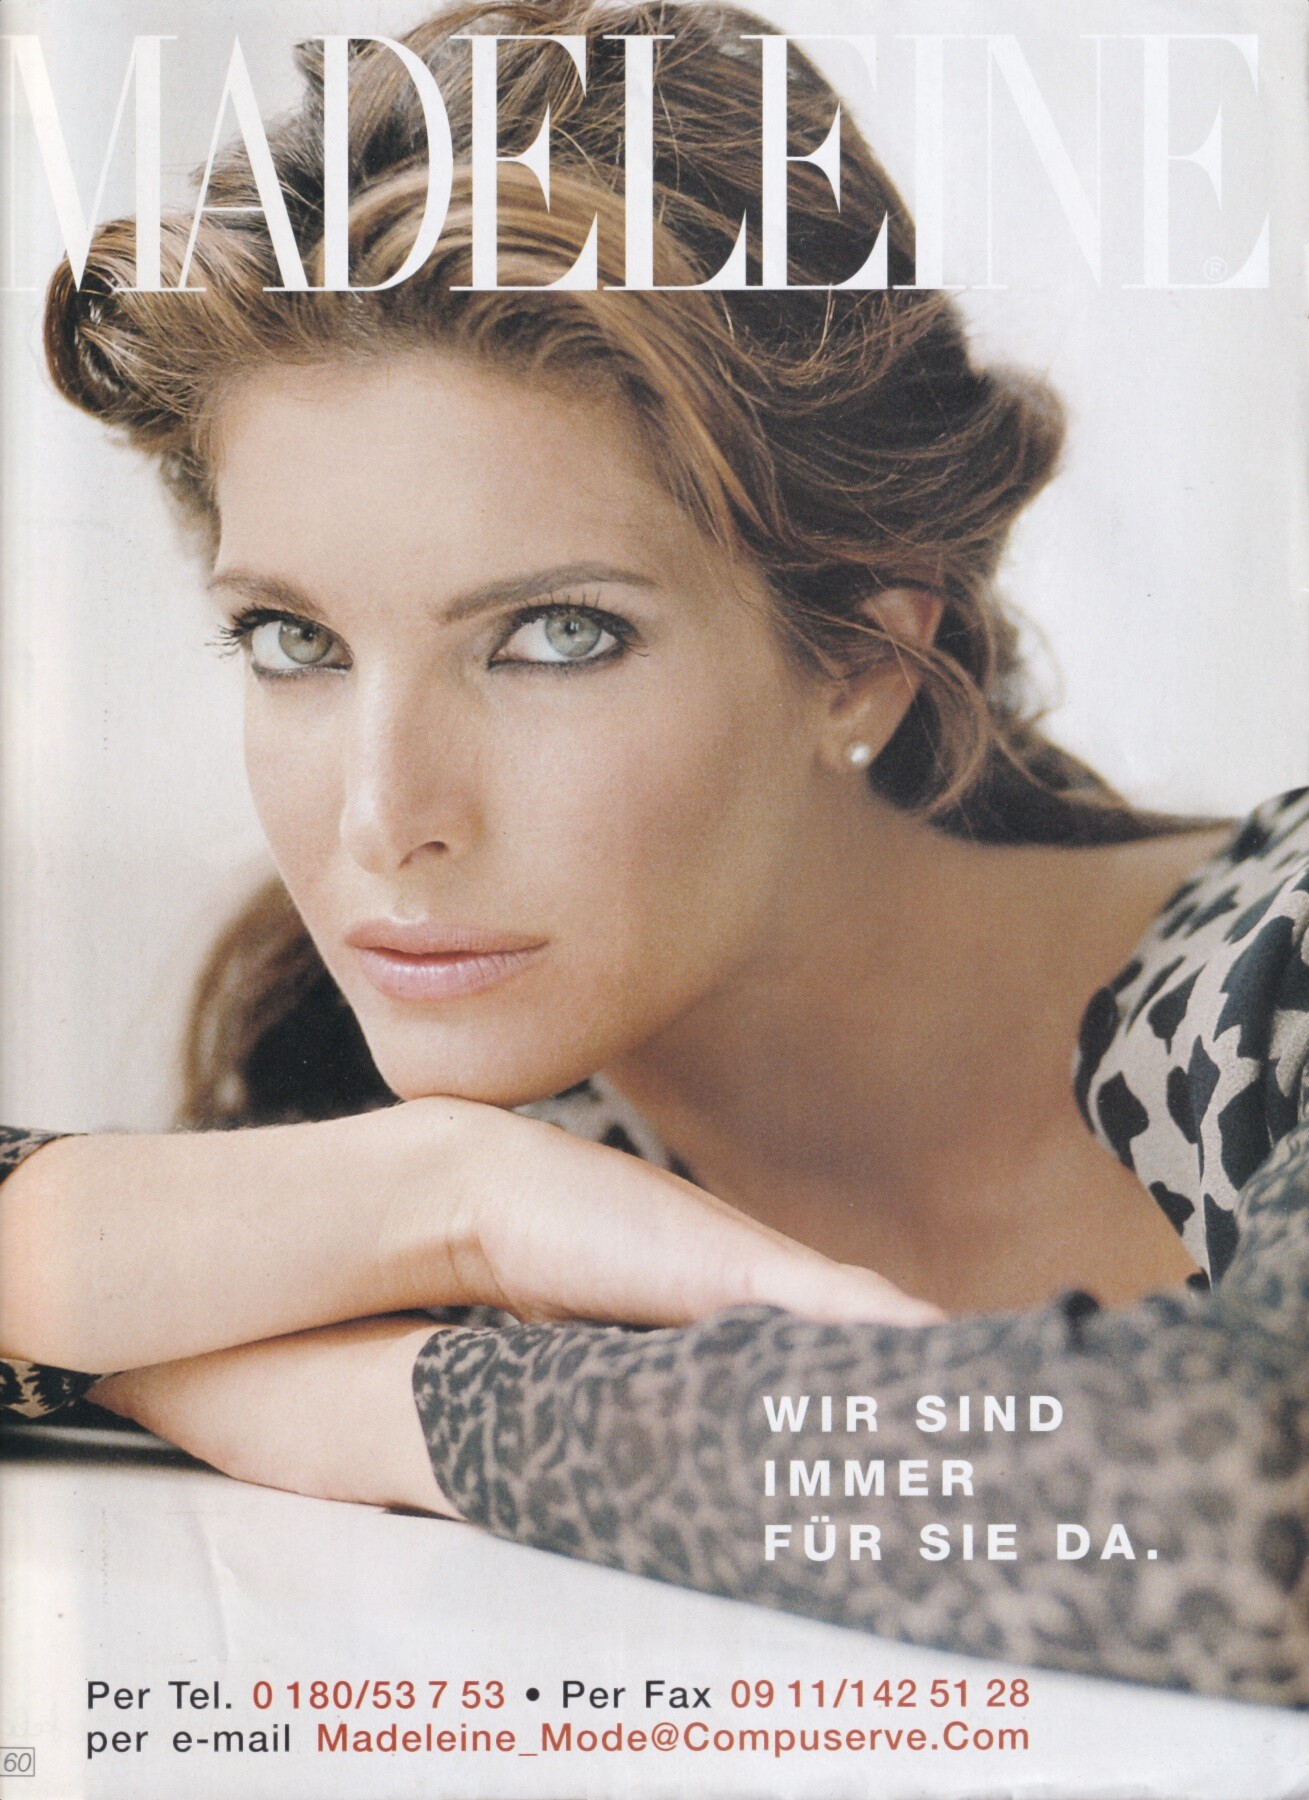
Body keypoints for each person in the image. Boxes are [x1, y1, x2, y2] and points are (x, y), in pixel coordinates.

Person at [1, 0, 1306, 1706]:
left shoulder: (1270, 976)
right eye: (293, 641)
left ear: (863, 650)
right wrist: (442, 1197)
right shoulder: (444, 1122)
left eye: (554, 636)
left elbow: (1250, 1501)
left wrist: (381, 1393)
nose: (384, 817)